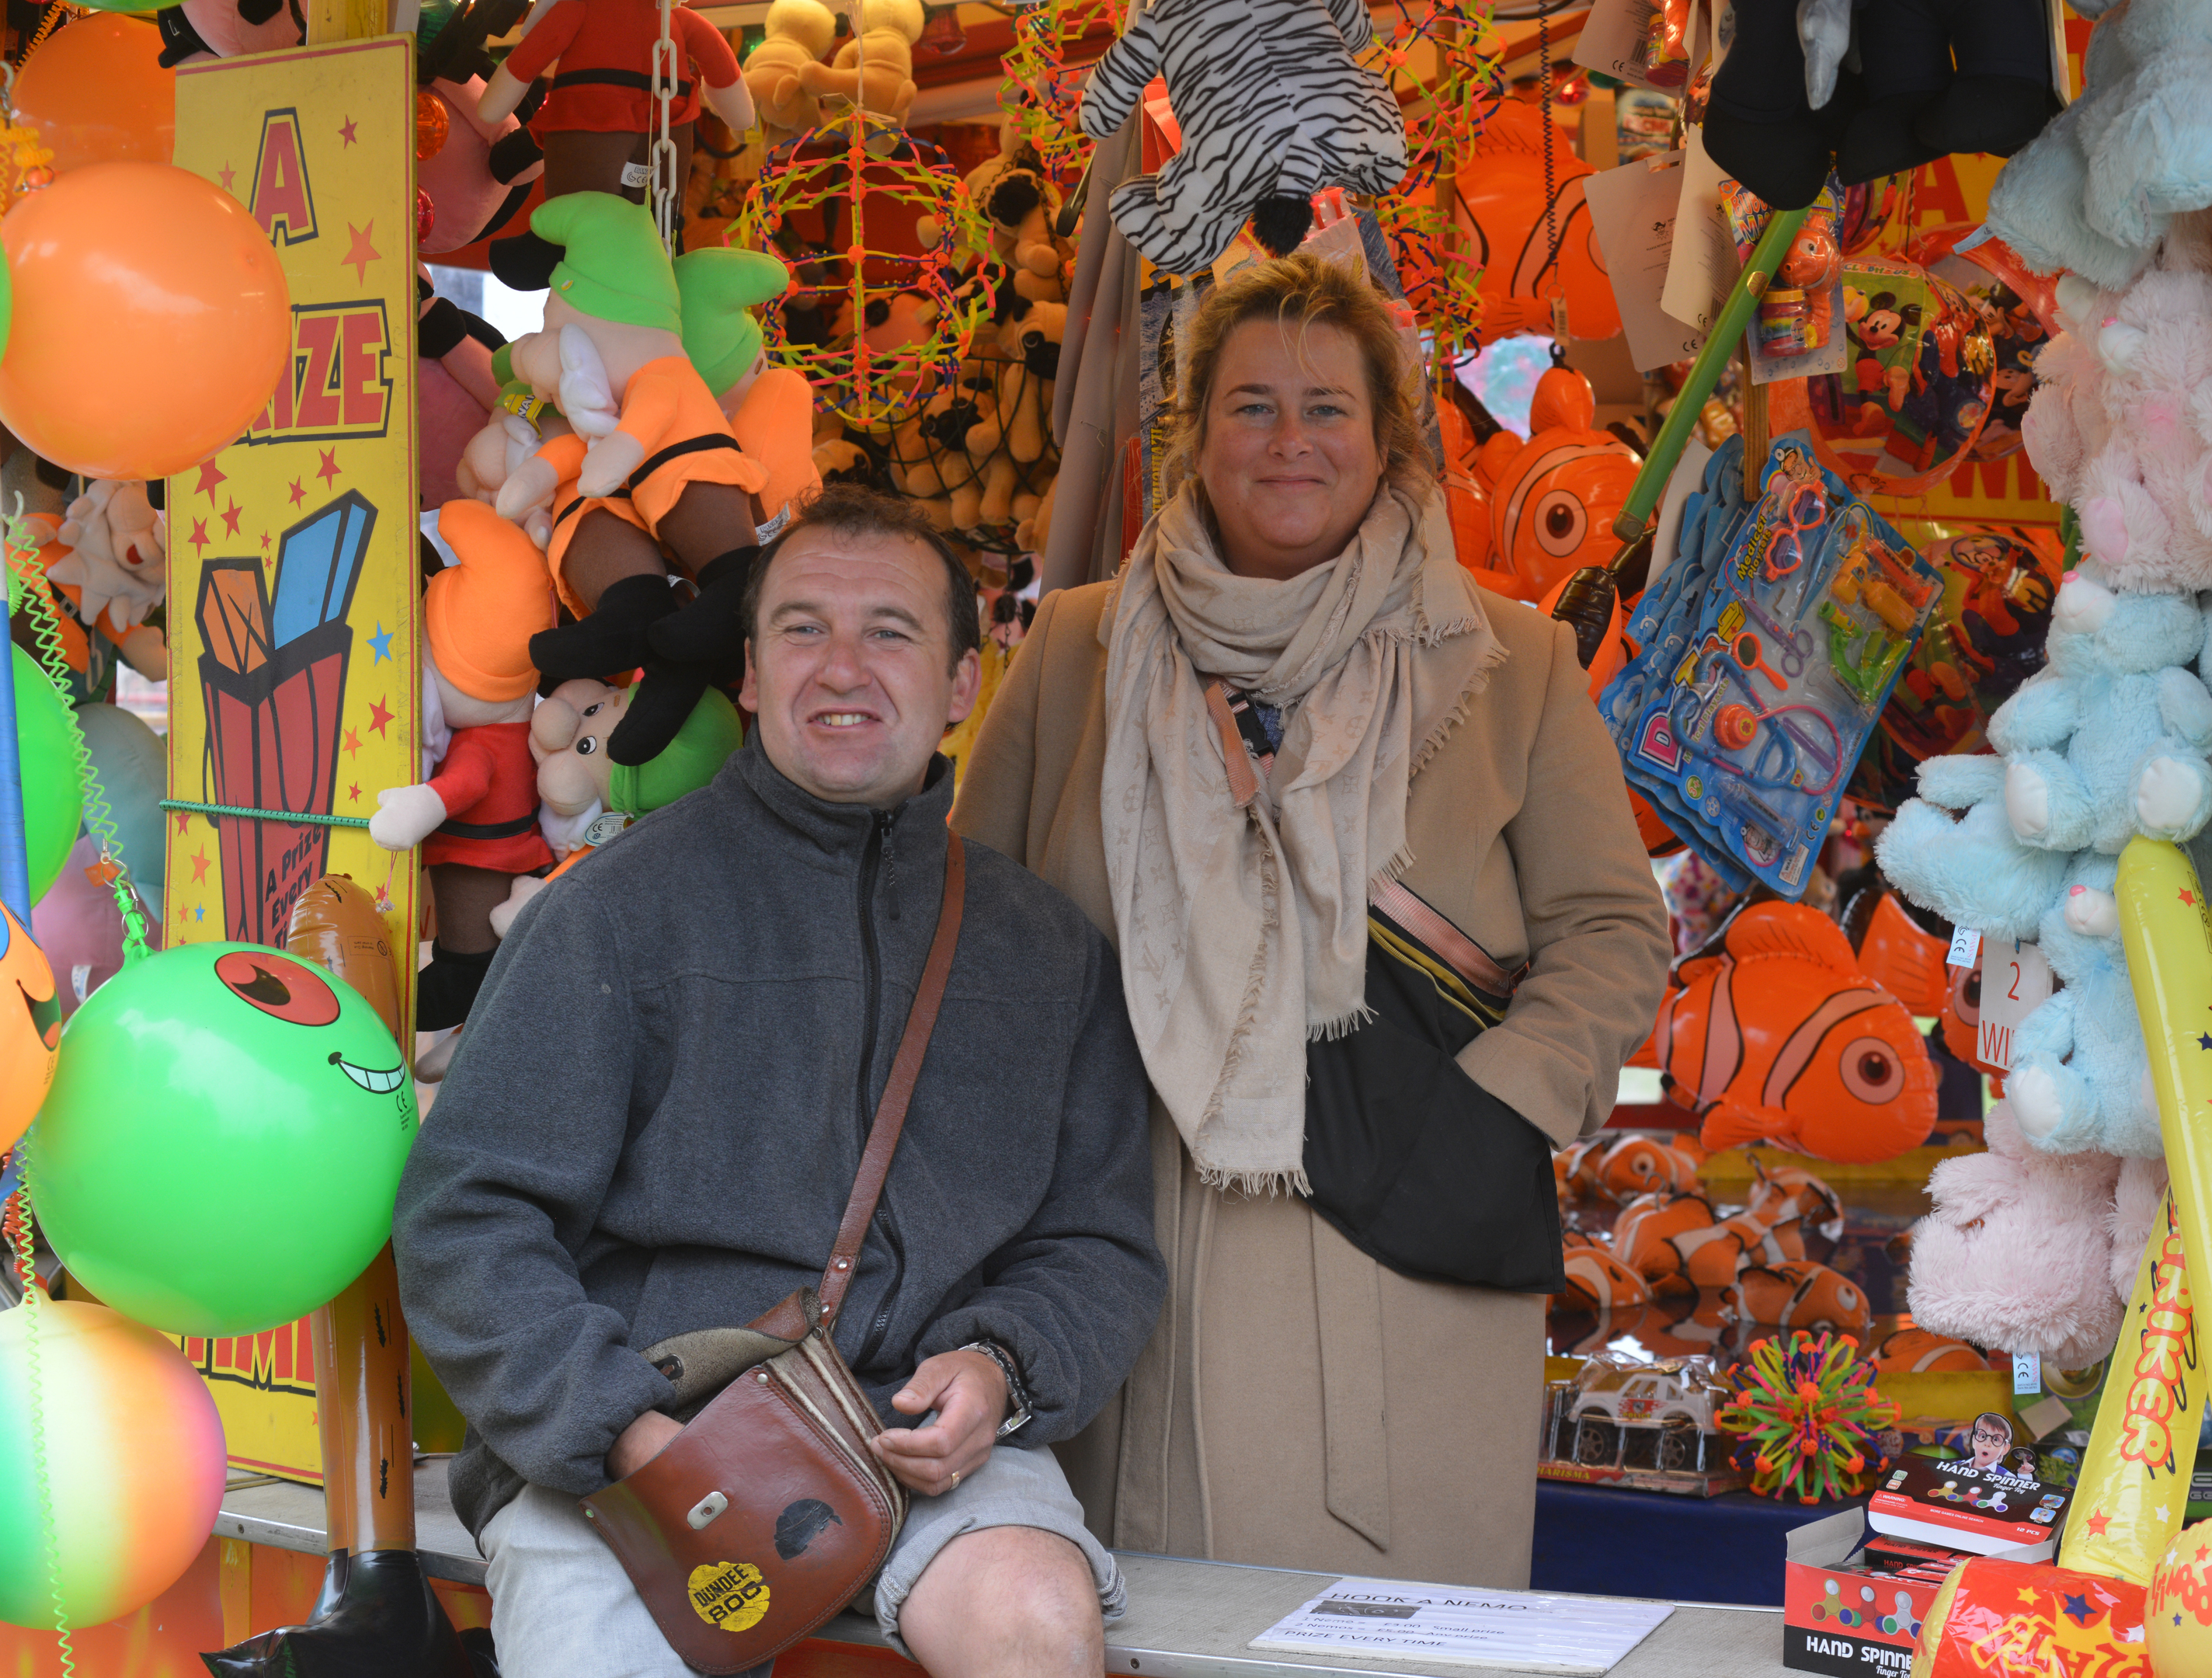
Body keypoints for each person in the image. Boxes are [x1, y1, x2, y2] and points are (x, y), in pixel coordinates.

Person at [953, 253, 1672, 1587]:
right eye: (1253, 405)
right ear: (1196, 436)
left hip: (1396, 1245)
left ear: (1388, 439)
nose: (1292, 440)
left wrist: (1492, 1107)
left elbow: (1616, 932)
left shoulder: (1511, 663)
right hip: (1123, 1238)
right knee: (1137, 1620)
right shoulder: (1077, 650)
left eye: (1329, 408)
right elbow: (972, 921)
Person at [394, 484, 1166, 1678]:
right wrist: (620, 1427)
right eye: (802, 629)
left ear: (964, 685)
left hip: (911, 1437)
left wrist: (1003, 1369)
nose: (842, 667)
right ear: (750, 676)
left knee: (1033, 1627)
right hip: (629, 1439)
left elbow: (1099, 1244)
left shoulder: (1045, 950)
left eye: (891, 632)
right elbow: (466, 1220)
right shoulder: (614, 914)